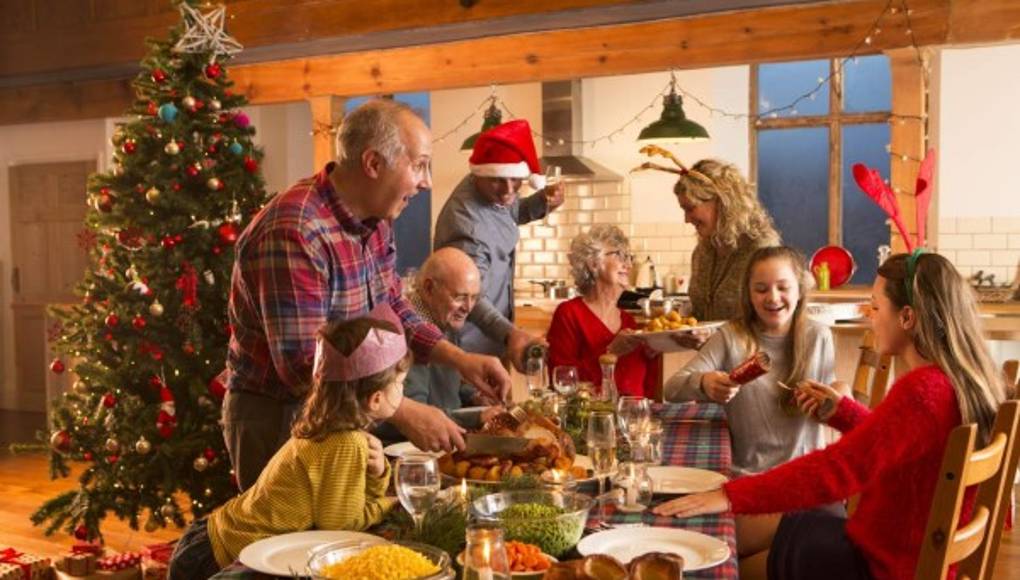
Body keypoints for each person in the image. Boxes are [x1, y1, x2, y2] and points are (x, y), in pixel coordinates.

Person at [653, 251, 1007, 580]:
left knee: (724, 559)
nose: (870, 316)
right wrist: (844, 413)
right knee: (728, 541)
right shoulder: (952, 381)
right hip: (888, 548)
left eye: (875, 307)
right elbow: (892, 444)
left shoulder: (922, 391)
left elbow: (839, 469)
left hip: (877, 565)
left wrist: (730, 494)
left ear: (907, 317)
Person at [223, 99, 510, 490]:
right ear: (374, 164)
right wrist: (403, 410)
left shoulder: (375, 222)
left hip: (343, 410)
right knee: (287, 545)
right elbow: (304, 367)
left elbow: (393, 309)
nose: (426, 181)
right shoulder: (295, 231)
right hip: (281, 416)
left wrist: (458, 359)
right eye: (419, 164)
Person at [169, 308, 408, 580]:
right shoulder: (346, 442)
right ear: (375, 398)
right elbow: (342, 527)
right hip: (218, 559)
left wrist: (376, 474)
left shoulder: (327, 427)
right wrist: (388, 502)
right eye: (401, 382)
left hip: (209, 539)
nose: (404, 388)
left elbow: (343, 505)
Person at [663, 246, 838, 476]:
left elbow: (833, 405)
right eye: (761, 289)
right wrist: (704, 382)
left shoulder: (819, 336)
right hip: (748, 477)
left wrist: (834, 398)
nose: (773, 297)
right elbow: (671, 390)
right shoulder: (730, 336)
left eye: (783, 287)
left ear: (800, 290)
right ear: (748, 293)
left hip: (805, 476)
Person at [433, 119, 565, 364]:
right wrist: (511, 334)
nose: (507, 190)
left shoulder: (490, 185)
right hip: (467, 348)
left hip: (491, 341)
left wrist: (542, 202)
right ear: (479, 174)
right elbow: (467, 298)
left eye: (515, 180)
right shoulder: (468, 227)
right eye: (498, 180)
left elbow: (510, 211)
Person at [375, 247, 505, 444]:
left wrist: (474, 397)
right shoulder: (405, 340)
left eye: (474, 297)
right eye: (460, 296)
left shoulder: (443, 319)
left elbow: (444, 390)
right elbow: (416, 420)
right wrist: (477, 418)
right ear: (428, 288)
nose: (469, 308)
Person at [671, 159, 780, 349]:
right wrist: (686, 324)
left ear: (721, 202)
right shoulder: (702, 252)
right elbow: (701, 312)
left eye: (690, 208)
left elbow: (773, 323)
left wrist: (715, 336)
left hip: (756, 367)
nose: (686, 219)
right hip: (715, 367)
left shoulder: (761, 250)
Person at [546, 225, 657, 398]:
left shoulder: (629, 321)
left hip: (633, 418)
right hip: (590, 419)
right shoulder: (569, 314)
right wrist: (611, 353)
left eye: (629, 257)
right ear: (593, 264)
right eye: (619, 255)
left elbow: (644, 386)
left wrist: (653, 353)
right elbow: (562, 382)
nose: (628, 264)